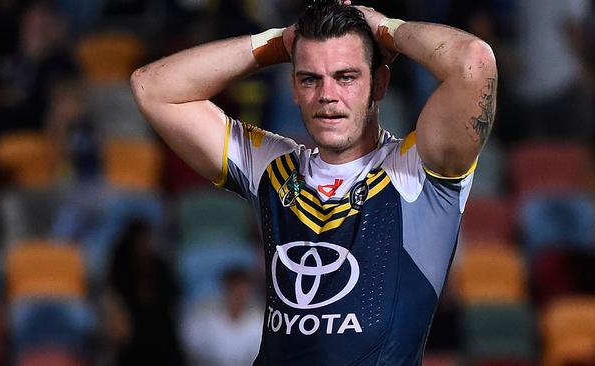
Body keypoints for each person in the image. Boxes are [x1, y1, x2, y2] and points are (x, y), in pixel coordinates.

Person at [131, 0, 497, 364]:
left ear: (380, 83)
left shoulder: (417, 171)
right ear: (294, 87)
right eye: (310, 78)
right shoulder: (273, 168)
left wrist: (386, 28)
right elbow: (153, 87)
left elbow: (473, 61)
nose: (327, 95)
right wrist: (278, 43)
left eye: (346, 77)